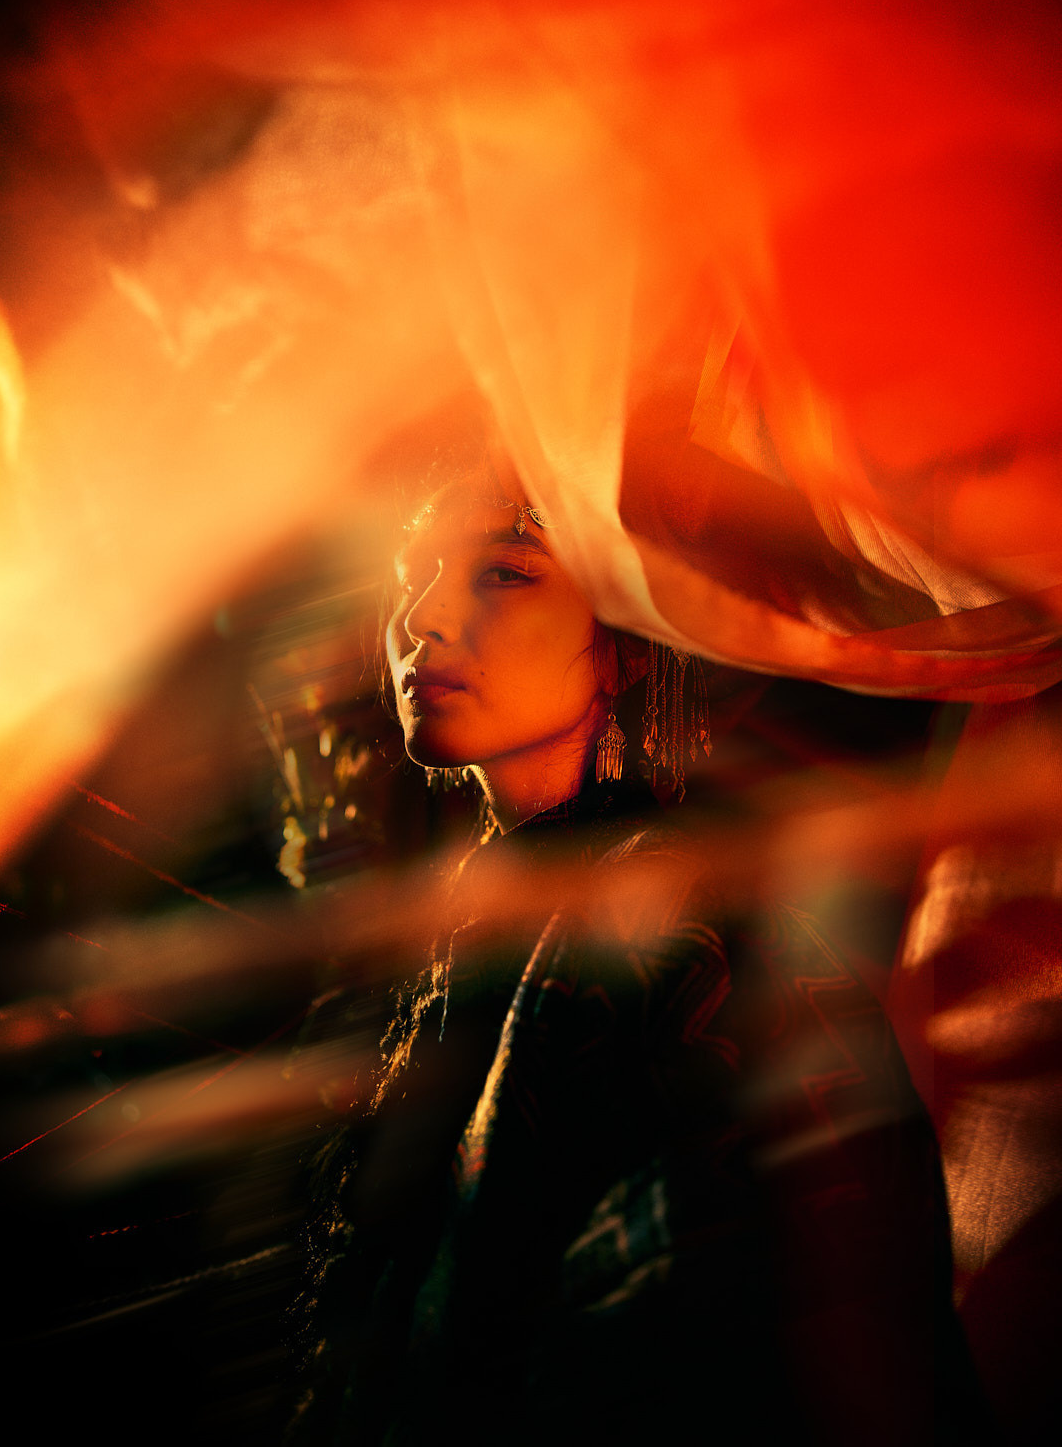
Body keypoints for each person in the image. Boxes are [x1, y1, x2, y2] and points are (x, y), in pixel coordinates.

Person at [291, 465, 987, 1447]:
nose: (422, 617)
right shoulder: (450, 943)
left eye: (504, 572)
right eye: (412, 576)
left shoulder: (685, 914)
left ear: (623, 642)